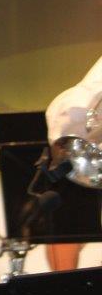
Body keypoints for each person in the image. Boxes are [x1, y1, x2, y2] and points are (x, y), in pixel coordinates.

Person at [45, 55, 102, 272]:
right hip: (80, 140)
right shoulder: (80, 105)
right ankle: (65, 289)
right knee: (69, 220)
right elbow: (70, 114)